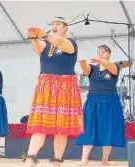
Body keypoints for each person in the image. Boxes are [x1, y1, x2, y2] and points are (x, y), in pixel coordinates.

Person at [24, 17, 83, 167]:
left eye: (57, 24)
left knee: (61, 129)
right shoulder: (46, 43)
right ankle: (30, 160)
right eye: (52, 25)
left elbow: (63, 45)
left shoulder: (71, 43)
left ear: (65, 27)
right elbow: (38, 49)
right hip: (46, 85)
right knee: (39, 125)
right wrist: (33, 37)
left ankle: (57, 162)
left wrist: (44, 34)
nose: (54, 26)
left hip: (65, 87)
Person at [76, 45, 126, 166]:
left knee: (108, 130)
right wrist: (82, 63)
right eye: (99, 51)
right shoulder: (93, 68)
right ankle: (84, 159)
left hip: (110, 102)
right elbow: (85, 70)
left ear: (109, 54)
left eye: (104, 51)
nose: (101, 53)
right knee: (88, 129)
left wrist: (100, 60)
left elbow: (112, 68)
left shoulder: (114, 66)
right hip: (93, 101)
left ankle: (104, 159)